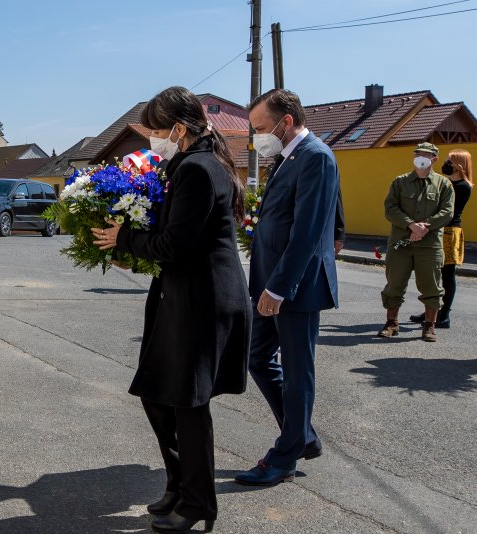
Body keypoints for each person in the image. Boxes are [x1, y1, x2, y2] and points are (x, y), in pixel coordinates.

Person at [93, 86, 251, 533]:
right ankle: (179, 483)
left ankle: (199, 502)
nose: (152, 140)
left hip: (203, 300)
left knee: (187, 402)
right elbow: (171, 239)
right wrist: (131, 243)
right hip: (181, 296)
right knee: (156, 392)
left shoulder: (199, 169)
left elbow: (175, 246)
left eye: (158, 131)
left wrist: (123, 237)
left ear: (180, 129)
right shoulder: (188, 165)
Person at [237, 88, 340, 487]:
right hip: (271, 282)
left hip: (293, 287)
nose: (256, 136)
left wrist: (278, 289)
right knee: (257, 357)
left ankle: (285, 454)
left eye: (261, 128)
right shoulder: (289, 157)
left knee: (298, 372)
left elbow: (308, 231)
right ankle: (304, 437)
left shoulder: (315, 157)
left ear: (286, 122)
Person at [377, 143, 455, 341]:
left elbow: (447, 211)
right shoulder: (400, 182)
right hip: (401, 242)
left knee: (432, 285)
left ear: (434, 159)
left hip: (429, 245)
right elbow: (391, 209)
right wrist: (411, 225)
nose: (421, 157)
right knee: (394, 283)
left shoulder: (443, 184)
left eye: (426, 155)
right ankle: (391, 324)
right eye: (418, 154)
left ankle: (429, 326)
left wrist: (424, 228)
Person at [410, 149, 471, 328]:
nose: (446, 164)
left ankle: (444, 315)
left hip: (449, 231)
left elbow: (446, 211)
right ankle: (432, 309)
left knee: (447, 274)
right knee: (433, 274)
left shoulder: (462, 186)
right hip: (438, 229)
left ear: (459, 165)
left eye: (449, 162)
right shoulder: (448, 183)